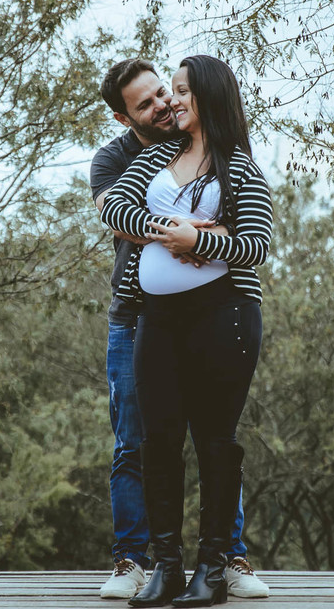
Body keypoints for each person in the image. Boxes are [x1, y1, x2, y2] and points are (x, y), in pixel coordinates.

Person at [91, 58, 270, 602]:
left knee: (215, 441)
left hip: (224, 315)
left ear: (204, 97)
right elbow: (114, 209)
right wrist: (175, 231)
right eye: (149, 102)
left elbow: (256, 244)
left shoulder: (237, 164)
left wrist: (202, 243)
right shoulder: (150, 157)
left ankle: (216, 566)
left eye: (176, 91)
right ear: (127, 118)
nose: (169, 103)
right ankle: (159, 566)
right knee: (153, 443)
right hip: (151, 319)